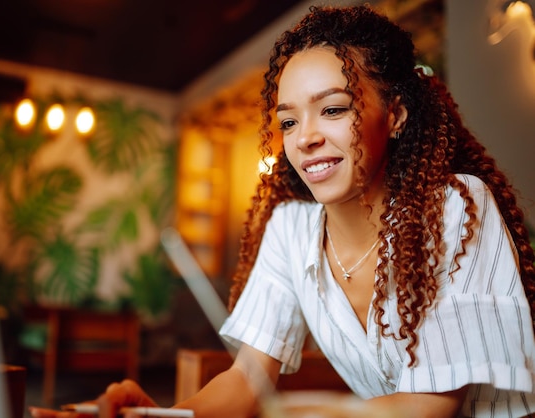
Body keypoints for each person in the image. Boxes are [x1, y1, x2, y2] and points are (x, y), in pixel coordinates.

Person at [30, 4, 535, 418]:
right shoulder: (291, 229)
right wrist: (168, 415)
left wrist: (312, 411)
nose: (305, 138)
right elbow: (249, 379)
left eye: (333, 109)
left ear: (397, 115)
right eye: (289, 121)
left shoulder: (455, 208)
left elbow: (431, 404)